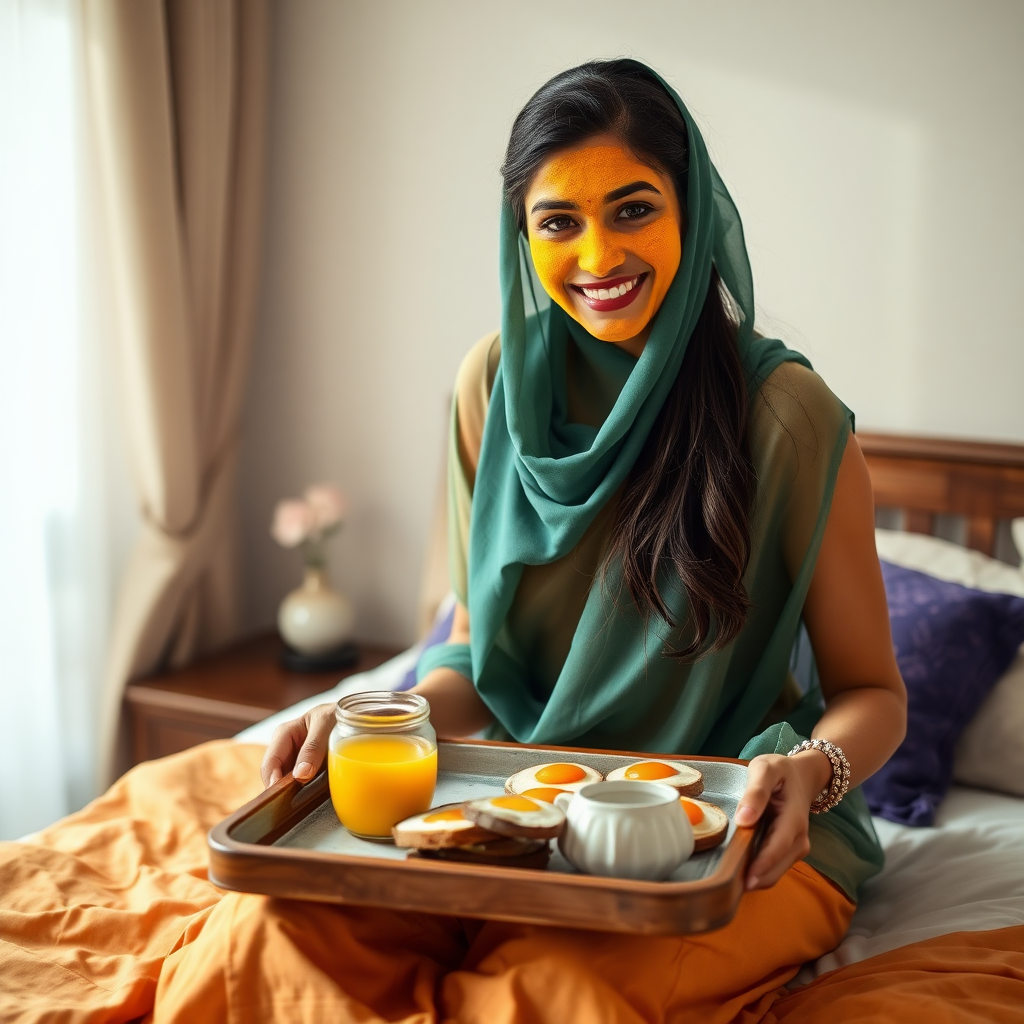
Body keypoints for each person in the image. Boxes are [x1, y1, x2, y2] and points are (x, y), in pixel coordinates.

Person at [258, 58, 907, 1019]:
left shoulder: (788, 415)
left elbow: (872, 694)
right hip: (520, 806)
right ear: (523, 236)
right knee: (273, 940)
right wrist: (382, 719)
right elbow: (480, 656)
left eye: (634, 209)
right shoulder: (492, 383)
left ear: (692, 210)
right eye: (559, 221)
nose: (598, 255)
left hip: (731, 832)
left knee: (548, 999)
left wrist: (811, 773)